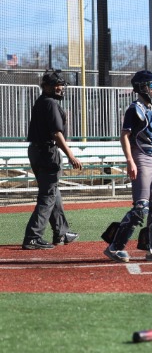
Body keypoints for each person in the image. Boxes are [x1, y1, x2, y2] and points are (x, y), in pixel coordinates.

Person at [103, 70, 152, 263]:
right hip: (140, 158)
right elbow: (125, 136)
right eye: (151, 86)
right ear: (141, 87)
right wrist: (130, 161)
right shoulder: (134, 109)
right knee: (141, 207)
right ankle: (114, 247)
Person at [22, 70, 83, 250]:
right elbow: (56, 133)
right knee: (48, 195)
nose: (60, 87)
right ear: (46, 87)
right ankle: (33, 237)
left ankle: (62, 232)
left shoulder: (41, 101)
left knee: (52, 192)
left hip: (36, 151)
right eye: (57, 84)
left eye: (61, 84)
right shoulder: (51, 103)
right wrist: (71, 155)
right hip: (47, 153)